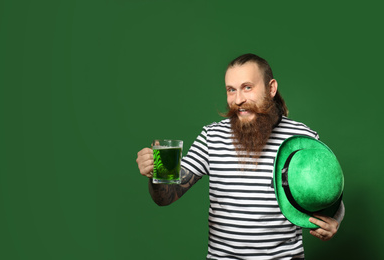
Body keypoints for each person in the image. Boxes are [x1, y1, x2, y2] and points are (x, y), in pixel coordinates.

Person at [136, 53, 345, 259]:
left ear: (271, 88)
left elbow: (328, 196)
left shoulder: (302, 139)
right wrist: (155, 175)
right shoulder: (212, 136)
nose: (238, 100)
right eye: (231, 90)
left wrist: (335, 221)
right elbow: (166, 196)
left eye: (247, 87)